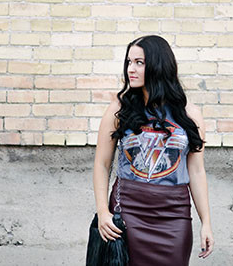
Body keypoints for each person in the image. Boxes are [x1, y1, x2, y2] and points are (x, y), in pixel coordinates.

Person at [92, 35, 214, 265]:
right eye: (129, 62)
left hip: (174, 216)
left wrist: (206, 221)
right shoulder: (119, 109)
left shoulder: (190, 114)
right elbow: (102, 164)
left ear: (158, 65)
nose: (131, 69)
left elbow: (196, 172)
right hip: (128, 211)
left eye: (139, 62)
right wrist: (102, 212)